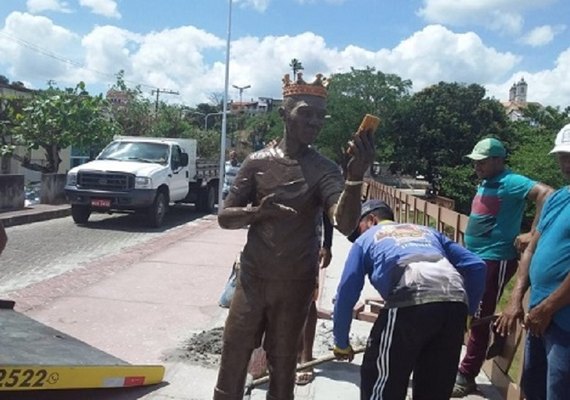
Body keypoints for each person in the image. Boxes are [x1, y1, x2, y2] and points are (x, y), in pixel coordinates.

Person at [213, 72, 375, 400]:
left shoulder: (325, 169)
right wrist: (256, 213)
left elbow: (344, 223)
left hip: (295, 285)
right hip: (253, 281)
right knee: (233, 357)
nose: (315, 122)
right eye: (306, 112)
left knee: (284, 366)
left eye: (320, 116)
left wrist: (355, 178)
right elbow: (224, 217)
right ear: (283, 114)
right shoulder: (256, 163)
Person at [333, 199, 487, 399]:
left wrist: (341, 342)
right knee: (434, 389)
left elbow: (346, 292)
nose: (358, 235)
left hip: (410, 301)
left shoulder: (367, 238)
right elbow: (477, 266)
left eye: (359, 228)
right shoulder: (428, 231)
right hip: (454, 304)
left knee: (381, 380)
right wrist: (468, 313)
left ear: (371, 220)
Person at [452, 137, 553, 397]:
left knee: (479, 314)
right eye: (475, 162)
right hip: (475, 256)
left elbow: (546, 193)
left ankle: (467, 374)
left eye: (482, 162)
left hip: (494, 258)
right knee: (468, 309)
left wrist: (533, 233)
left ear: (498, 159)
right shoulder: (487, 182)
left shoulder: (511, 181)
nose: (477, 167)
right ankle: (489, 344)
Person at [495, 123, 570, 400]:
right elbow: (530, 250)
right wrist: (516, 300)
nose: (566, 163)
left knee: (559, 390)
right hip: (539, 313)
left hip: (562, 318)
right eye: (563, 156)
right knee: (532, 387)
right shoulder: (560, 198)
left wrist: (548, 308)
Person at [295, 212, 333, 385]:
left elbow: (328, 211)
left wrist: (328, 245)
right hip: (277, 242)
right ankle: (293, 349)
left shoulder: (315, 183)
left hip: (308, 245)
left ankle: (306, 357)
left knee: (308, 299)